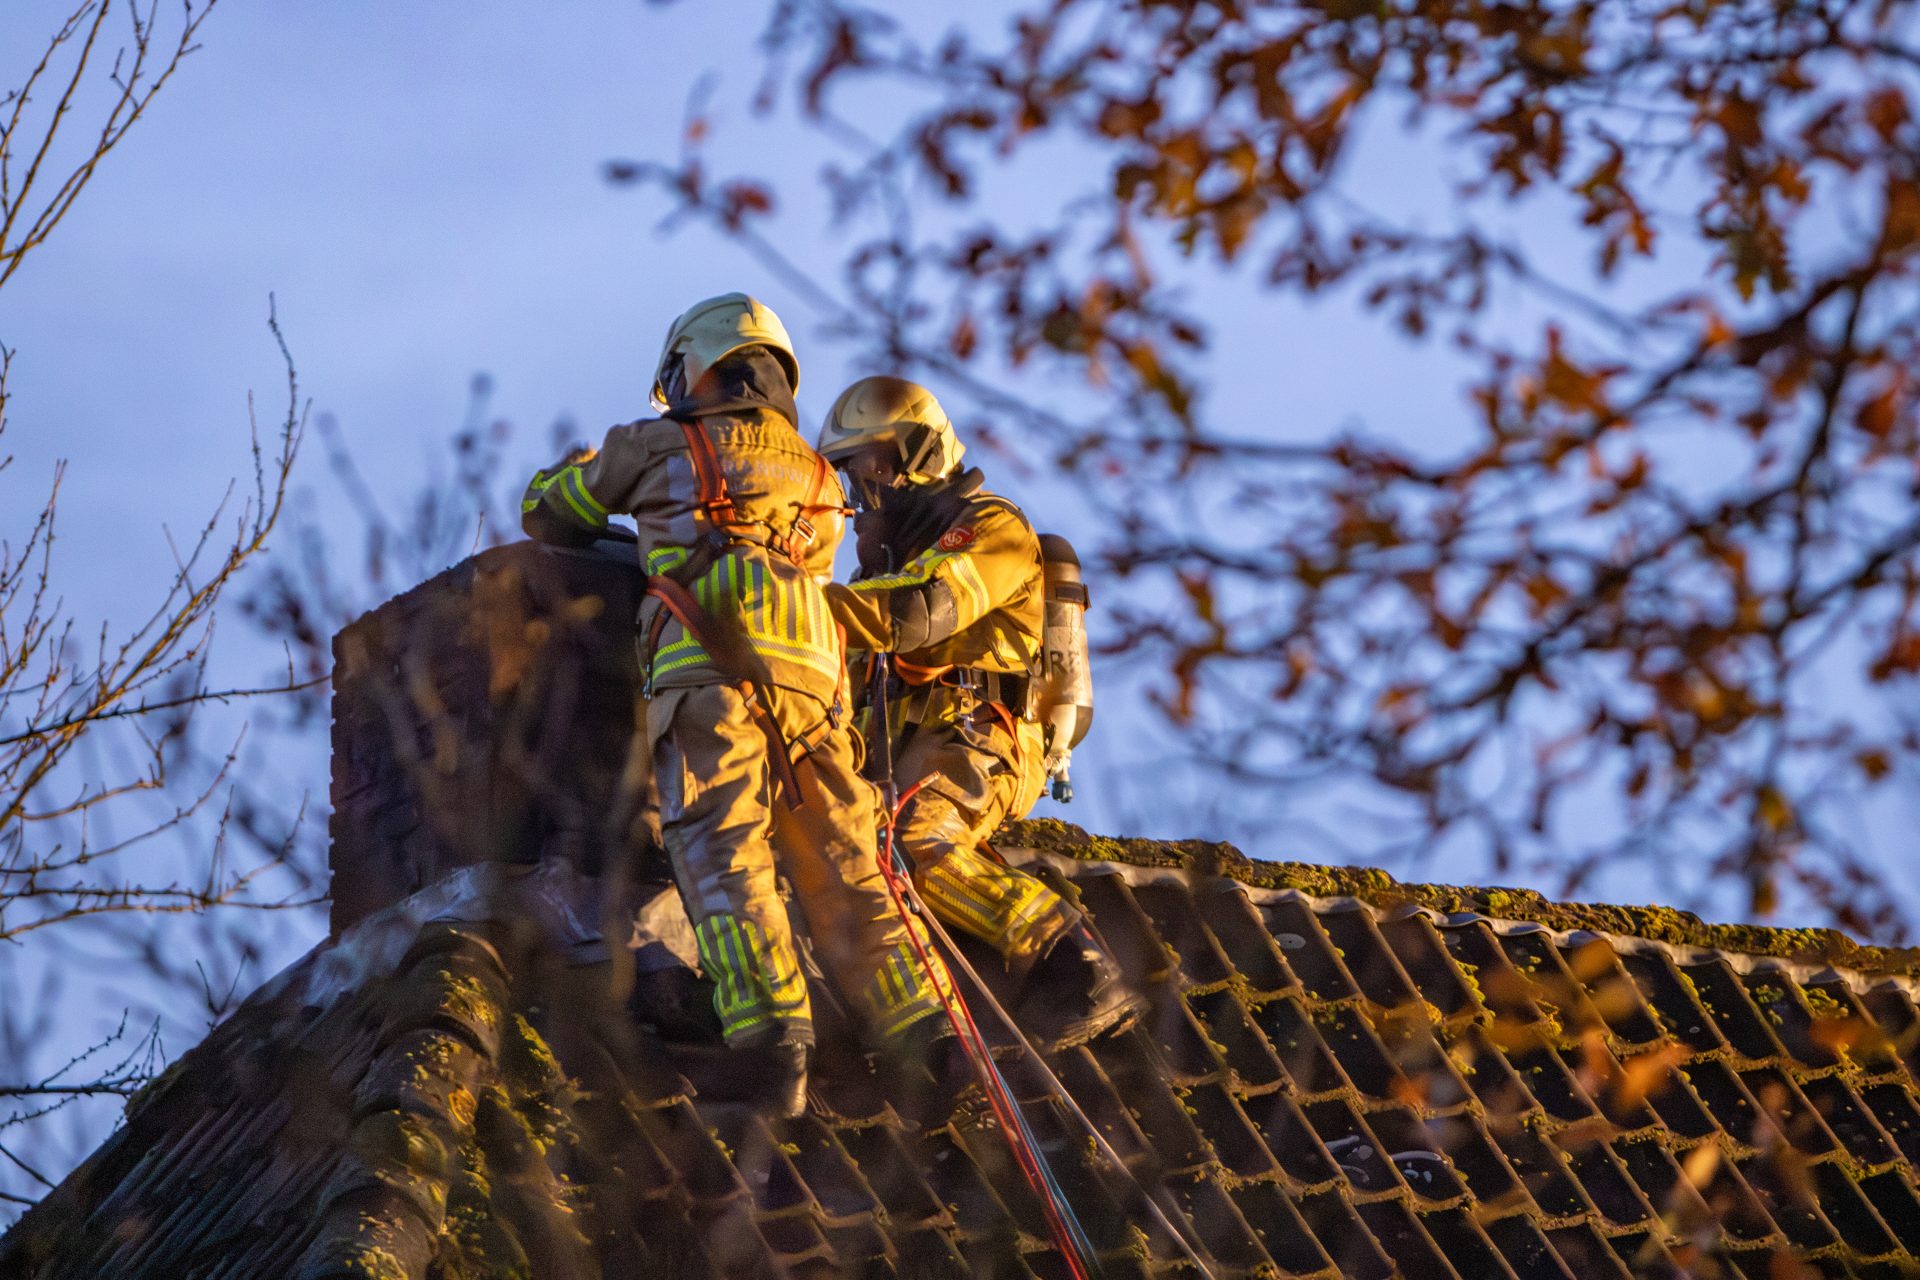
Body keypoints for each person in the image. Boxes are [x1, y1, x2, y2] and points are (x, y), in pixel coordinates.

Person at [521, 296, 953, 1117]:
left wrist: (575, 469)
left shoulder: (656, 444)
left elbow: (550, 510)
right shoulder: (824, 477)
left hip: (708, 673)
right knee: (843, 860)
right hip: (818, 688)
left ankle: (771, 1044)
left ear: (700, 365)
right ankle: (924, 1035)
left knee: (722, 847)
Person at [816, 376, 1137, 1046]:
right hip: (913, 756)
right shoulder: (871, 586)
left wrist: (791, 606)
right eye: (852, 475)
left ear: (920, 454)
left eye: (873, 465)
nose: (863, 490)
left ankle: (1079, 961)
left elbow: (921, 611)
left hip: (983, 738)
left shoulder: (993, 530)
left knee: (915, 843)